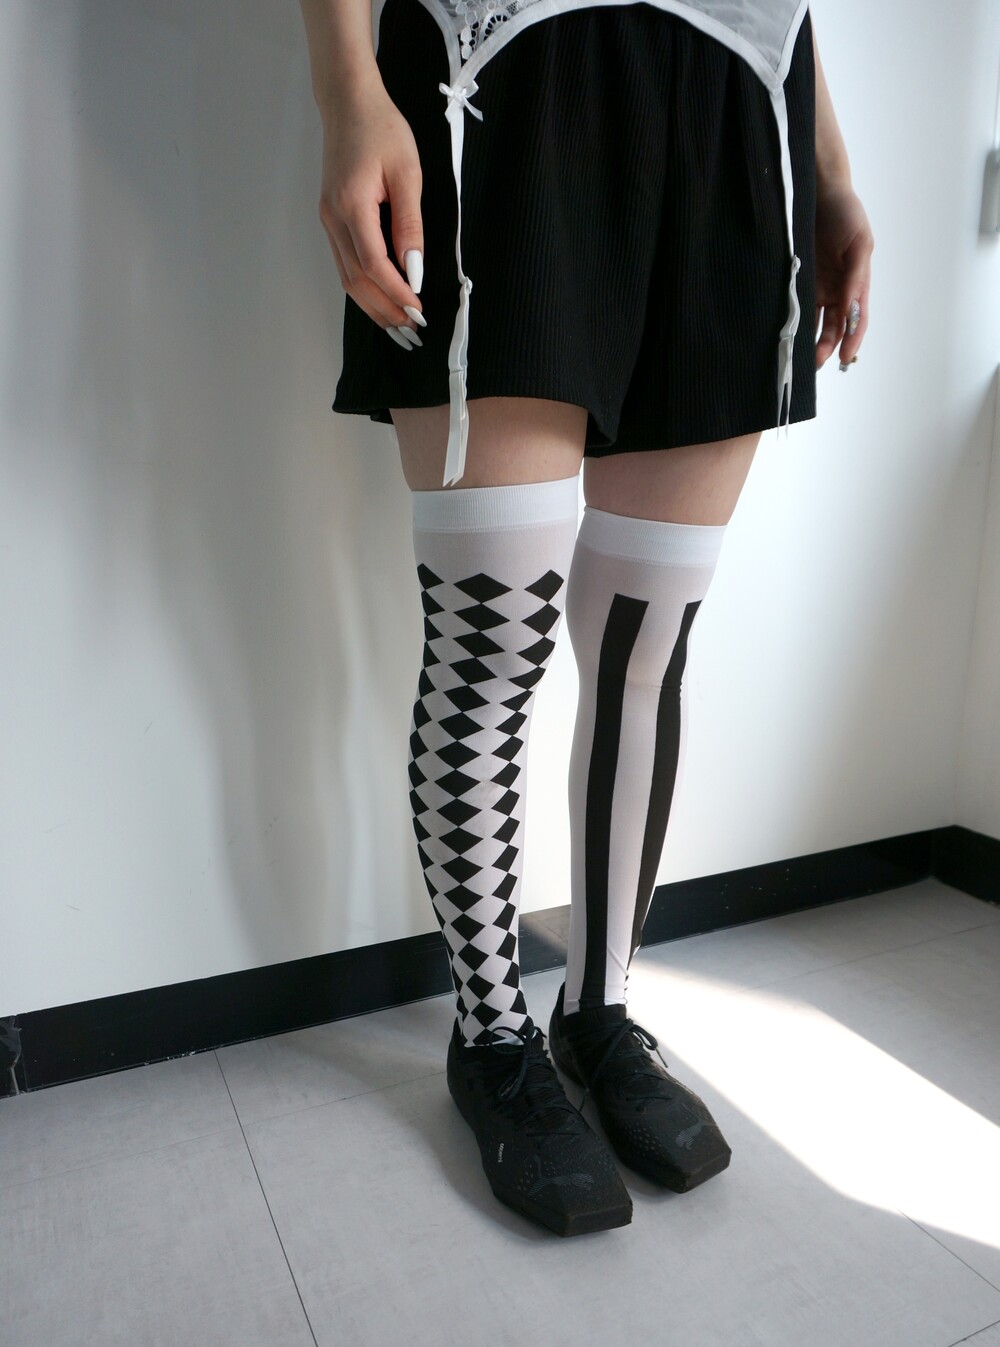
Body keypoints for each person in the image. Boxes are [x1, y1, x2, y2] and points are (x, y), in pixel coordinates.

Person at [297, 0, 873, 1237]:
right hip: (502, 68)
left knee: (643, 652)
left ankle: (598, 1013)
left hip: (736, 94)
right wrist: (348, 89)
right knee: (490, 644)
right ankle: (491, 1037)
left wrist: (827, 165)